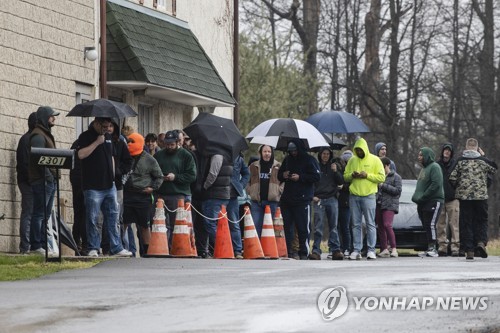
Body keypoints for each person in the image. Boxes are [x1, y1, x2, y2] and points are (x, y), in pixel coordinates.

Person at [77, 117, 132, 257]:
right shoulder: (85, 136)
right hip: (93, 186)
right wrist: (96, 142)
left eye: (109, 126)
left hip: (109, 185)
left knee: (113, 217)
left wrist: (113, 177)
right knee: (93, 218)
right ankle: (93, 247)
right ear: (96, 123)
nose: (107, 129)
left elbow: (112, 157)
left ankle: (116, 247)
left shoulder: (108, 137)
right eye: (104, 126)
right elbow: (80, 154)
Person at [449, 138, 497, 260]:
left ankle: (469, 249)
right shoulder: (483, 161)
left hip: (464, 197)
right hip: (481, 197)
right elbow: (494, 168)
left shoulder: (460, 161)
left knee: (466, 222)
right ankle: (481, 242)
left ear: (466, 148)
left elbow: (452, 177)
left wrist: (458, 187)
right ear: (477, 148)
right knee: (481, 220)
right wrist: (483, 156)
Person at [343, 138, 386, 260]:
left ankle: (371, 250)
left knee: (370, 223)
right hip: (354, 196)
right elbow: (345, 177)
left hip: (369, 196)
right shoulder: (352, 160)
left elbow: (381, 177)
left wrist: (367, 175)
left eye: (361, 150)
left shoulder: (375, 160)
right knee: (355, 224)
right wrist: (352, 175)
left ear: (365, 149)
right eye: (357, 150)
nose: (359, 152)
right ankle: (357, 250)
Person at [278, 139, 320, 260]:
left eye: (295, 151)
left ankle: (304, 252)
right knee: (287, 226)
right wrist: (284, 175)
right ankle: (288, 250)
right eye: (291, 151)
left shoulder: (310, 160)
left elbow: (316, 176)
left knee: (303, 227)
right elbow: (279, 175)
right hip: (287, 198)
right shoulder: (287, 159)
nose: (293, 153)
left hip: (303, 199)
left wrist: (300, 177)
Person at [123, 133, 164, 256]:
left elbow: (159, 177)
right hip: (127, 195)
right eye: (128, 141)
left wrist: (153, 188)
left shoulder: (149, 159)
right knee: (124, 223)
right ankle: (122, 248)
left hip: (143, 196)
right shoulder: (125, 156)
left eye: (132, 141)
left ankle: (148, 251)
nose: (129, 144)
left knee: (144, 226)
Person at [154, 130, 196, 244]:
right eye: (167, 144)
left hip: (177, 194)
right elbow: (152, 172)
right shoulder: (159, 155)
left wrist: (175, 177)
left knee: (175, 225)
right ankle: (161, 247)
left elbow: (192, 175)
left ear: (178, 142)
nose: (169, 147)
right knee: (159, 224)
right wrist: (159, 177)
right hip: (160, 194)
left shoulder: (186, 155)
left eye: (172, 144)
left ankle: (175, 247)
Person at [28, 106, 60, 254]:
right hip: (42, 181)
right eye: (51, 116)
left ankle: (42, 244)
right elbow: (38, 160)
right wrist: (48, 177)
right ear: (44, 117)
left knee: (45, 215)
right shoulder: (38, 136)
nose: (54, 118)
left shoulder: (45, 134)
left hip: (49, 180)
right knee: (39, 213)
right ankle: (36, 245)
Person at [310, 147, 344, 260]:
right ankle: (316, 251)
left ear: (330, 155)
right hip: (318, 199)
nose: (325, 156)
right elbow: (311, 182)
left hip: (332, 199)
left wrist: (335, 171)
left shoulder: (334, 166)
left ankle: (336, 250)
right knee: (318, 227)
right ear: (320, 155)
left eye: (328, 154)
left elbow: (341, 181)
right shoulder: (316, 166)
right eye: (323, 154)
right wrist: (312, 196)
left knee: (333, 226)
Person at [411, 147, 444, 257]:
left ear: (427, 156)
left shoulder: (435, 167)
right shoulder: (424, 169)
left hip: (434, 200)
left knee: (431, 224)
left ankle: (433, 248)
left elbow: (436, 184)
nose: (419, 157)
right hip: (424, 202)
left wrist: (424, 196)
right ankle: (429, 247)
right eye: (419, 155)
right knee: (426, 224)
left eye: (421, 155)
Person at [247, 145, 282, 237]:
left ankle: (270, 250)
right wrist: (250, 191)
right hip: (257, 202)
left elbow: (284, 181)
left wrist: (279, 191)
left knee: (271, 228)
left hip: (272, 202)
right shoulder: (253, 166)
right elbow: (247, 180)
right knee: (256, 226)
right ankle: (258, 250)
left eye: (269, 152)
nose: (267, 154)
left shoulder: (278, 166)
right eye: (265, 151)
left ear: (272, 153)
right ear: (260, 153)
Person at [16, 112, 37, 254]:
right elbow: (24, 164)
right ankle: (25, 247)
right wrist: (32, 181)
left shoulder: (32, 139)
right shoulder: (26, 140)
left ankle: (32, 244)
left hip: (33, 181)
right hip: (28, 182)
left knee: (33, 213)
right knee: (28, 213)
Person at [436, 143, 460, 257]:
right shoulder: (437, 165)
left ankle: (455, 247)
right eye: (445, 150)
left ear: (451, 152)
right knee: (440, 224)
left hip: (453, 198)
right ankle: (442, 246)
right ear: (442, 151)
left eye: (449, 150)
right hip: (440, 198)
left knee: (454, 224)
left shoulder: (456, 164)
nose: (447, 152)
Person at [376, 157, 402, 258]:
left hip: (390, 205)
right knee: (381, 227)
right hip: (379, 204)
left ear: (387, 166)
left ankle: (394, 248)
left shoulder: (396, 177)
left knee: (387, 225)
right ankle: (384, 249)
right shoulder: (380, 176)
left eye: (383, 167)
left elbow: (398, 191)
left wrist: (383, 185)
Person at [226, 153, 250, 259]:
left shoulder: (239, 158)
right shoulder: (217, 155)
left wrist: (240, 185)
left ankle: (237, 250)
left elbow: (246, 174)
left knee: (234, 223)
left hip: (232, 196)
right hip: (217, 194)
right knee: (216, 222)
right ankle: (221, 248)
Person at [70, 138, 87, 255]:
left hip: (77, 181)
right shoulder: (87, 142)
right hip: (83, 182)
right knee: (84, 215)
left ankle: (77, 242)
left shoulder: (77, 142)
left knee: (79, 214)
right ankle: (83, 244)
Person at [336, 150, 353, 258]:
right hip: (337, 200)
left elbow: (352, 185)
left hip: (347, 202)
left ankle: (347, 247)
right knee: (337, 226)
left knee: (346, 227)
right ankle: (339, 247)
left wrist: (344, 187)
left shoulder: (352, 171)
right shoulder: (339, 170)